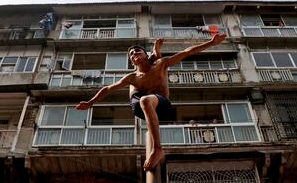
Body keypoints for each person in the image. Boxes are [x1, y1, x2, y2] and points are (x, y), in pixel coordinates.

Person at [76, 33, 227, 171]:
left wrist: (211, 43)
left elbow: (186, 52)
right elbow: (108, 88)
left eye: (137, 51)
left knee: (145, 99)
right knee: (142, 99)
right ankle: (155, 144)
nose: (134, 54)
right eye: (131, 54)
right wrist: (91, 102)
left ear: (145, 55)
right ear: (132, 61)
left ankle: (158, 149)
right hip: (142, 107)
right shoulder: (132, 77)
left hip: (163, 105)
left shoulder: (161, 64)